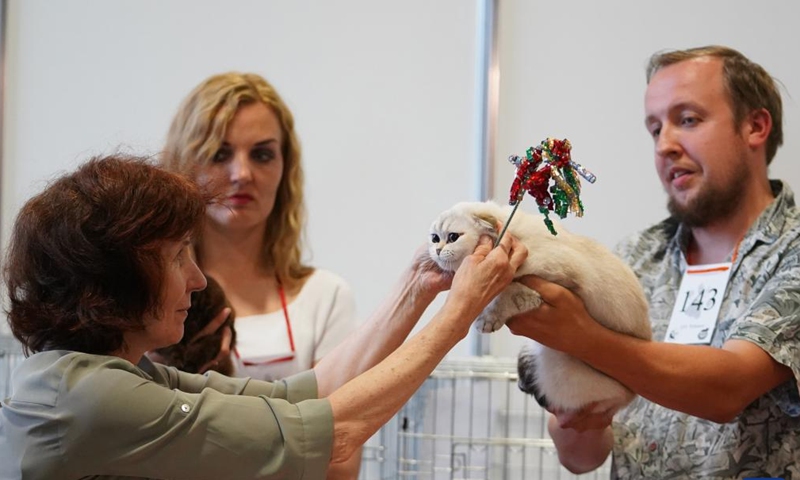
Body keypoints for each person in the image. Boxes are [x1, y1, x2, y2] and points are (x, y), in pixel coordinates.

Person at [0, 155, 526, 480]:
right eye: (178, 255)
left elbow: (307, 396)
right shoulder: (90, 398)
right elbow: (336, 431)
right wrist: (459, 314)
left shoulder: (111, 373)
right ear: (117, 276)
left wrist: (418, 285)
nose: (199, 279)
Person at [506, 45, 800, 479]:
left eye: (688, 120)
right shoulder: (632, 258)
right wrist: (578, 411)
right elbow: (580, 457)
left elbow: (728, 389)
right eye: (654, 129)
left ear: (755, 127)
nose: (665, 145)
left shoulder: (791, 251)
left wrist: (583, 338)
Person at [160, 72, 364, 478]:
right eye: (220, 153)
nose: (242, 174)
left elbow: (340, 461)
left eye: (262, 154)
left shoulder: (326, 297)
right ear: (184, 165)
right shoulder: (148, 294)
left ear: (285, 167)